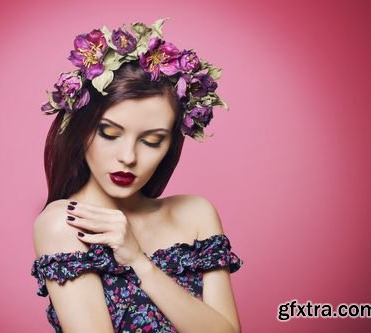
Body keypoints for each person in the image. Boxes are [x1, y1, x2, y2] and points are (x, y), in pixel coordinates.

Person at [31, 18, 244, 333]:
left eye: (152, 140)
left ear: (171, 143)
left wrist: (139, 261)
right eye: (109, 133)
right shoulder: (66, 225)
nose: (128, 157)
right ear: (82, 129)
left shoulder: (196, 213)